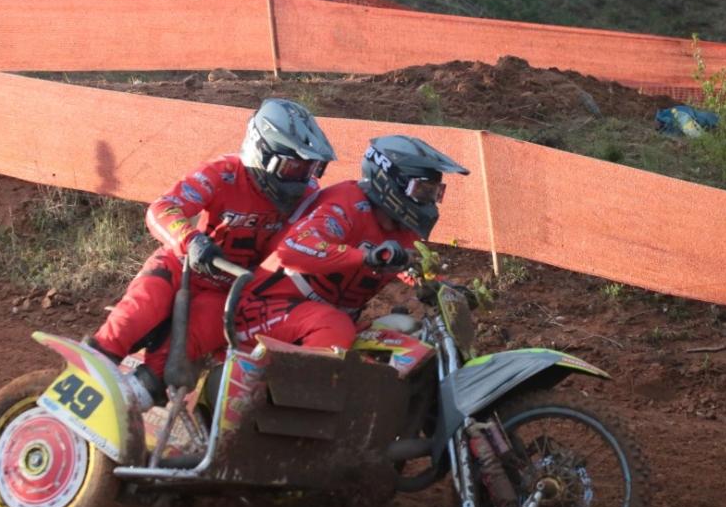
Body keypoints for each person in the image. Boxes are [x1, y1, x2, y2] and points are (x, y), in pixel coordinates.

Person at [85, 99, 337, 406]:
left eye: (310, 168)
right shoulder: (225, 172)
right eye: (293, 167)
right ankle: (80, 382)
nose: (302, 179)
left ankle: (132, 406)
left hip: (229, 293)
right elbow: (162, 208)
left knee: (167, 369)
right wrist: (190, 240)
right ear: (263, 153)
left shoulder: (308, 196)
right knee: (132, 320)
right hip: (181, 266)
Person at [177, 134, 469, 360]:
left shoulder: (402, 230)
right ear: (390, 180)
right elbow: (293, 250)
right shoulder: (346, 205)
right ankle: (300, 408)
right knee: (334, 326)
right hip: (264, 310)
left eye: (435, 193)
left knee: (405, 335)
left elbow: (408, 265)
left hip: (319, 321)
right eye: (423, 191)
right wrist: (365, 256)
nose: (429, 201)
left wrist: (443, 286)